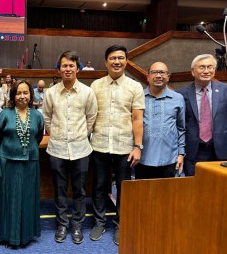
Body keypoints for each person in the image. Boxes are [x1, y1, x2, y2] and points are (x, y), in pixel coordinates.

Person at [89, 45, 144, 246]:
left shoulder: (135, 86)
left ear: (126, 61)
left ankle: (121, 223)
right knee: (99, 185)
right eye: (112, 58)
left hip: (124, 147)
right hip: (99, 145)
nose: (117, 61)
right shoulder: (95, 86)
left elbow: (138, 118)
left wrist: (138, 146)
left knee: (123, 187)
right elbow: (90, 116)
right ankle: (99, 222)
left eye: (121, 58)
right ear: (106, 62)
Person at [43, 50, 98, 245]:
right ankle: (62, 224)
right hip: (57, 149)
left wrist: (80, 134)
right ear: (59, 69)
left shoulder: (87, 92)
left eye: (71, 65)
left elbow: (91, 118)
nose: (68, 69)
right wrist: (57, 134)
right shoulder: (51, 92)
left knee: (79, 190)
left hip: (81, 149)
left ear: (77, 68)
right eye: (64, 65)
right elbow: (47, 118)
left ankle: (76, 225)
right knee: (59, 190)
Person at [0, 80, 44, 247]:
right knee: (9, 199)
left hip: (30, 162)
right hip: (8, 160)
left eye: (26, 92)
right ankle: (10, 236)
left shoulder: (37, 115)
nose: (22, 96)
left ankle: (26, 236)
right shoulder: (4, 114)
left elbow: (38, 138)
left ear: (31, 95)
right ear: (13, 96)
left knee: (28, 198)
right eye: (18, 93)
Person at [177, 54, 227, 176]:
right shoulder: (181, 94)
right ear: (193, 71)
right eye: (202, 67)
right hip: (194, 151)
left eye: (210, 67)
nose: (206, 71)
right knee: (195, 189)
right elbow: (179, 125)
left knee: (220, 189)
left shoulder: (225, 90)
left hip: (221, 149)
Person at [137, 62, 186, 179]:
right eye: (154, 72)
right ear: (148, 77)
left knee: (167, 195)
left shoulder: (178, 98)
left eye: (162, 72)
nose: (158, 75)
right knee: (142, 195)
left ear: (168, 77)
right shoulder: (138, 97)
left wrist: (181, 154)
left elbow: (181, 128)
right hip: (142, 158)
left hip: (169, 158)